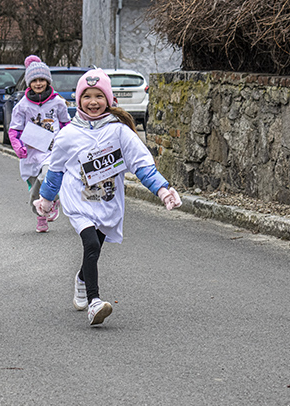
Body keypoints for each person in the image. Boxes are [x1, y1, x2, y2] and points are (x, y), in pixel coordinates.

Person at [34, 68, 182, 326]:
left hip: (107, 202)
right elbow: (55, 171)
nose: (93, 102)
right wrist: (47, 199)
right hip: (78, 201)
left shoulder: (120, 132)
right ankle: (94, 302)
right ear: (77, 100)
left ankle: (82, 279)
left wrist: (162, 189)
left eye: (99, 96)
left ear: (109, 99)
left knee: (96, 249)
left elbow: (142, 165)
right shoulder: (68, 135)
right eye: (87, 96)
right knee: (90, 244)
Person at [8, 55, 71, 233]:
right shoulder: (22, 105)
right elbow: (14, 129)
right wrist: (18, 146)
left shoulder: (58, 102)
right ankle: (41, 218)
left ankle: (52, 200)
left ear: (48, 81)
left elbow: (67, 123)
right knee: (34, 188)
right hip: (31, 152)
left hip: (52, 151)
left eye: (42, 79)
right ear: (29, 83)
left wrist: (69, 143)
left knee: (48, 176)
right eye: (34, 80)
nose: (38, 83)